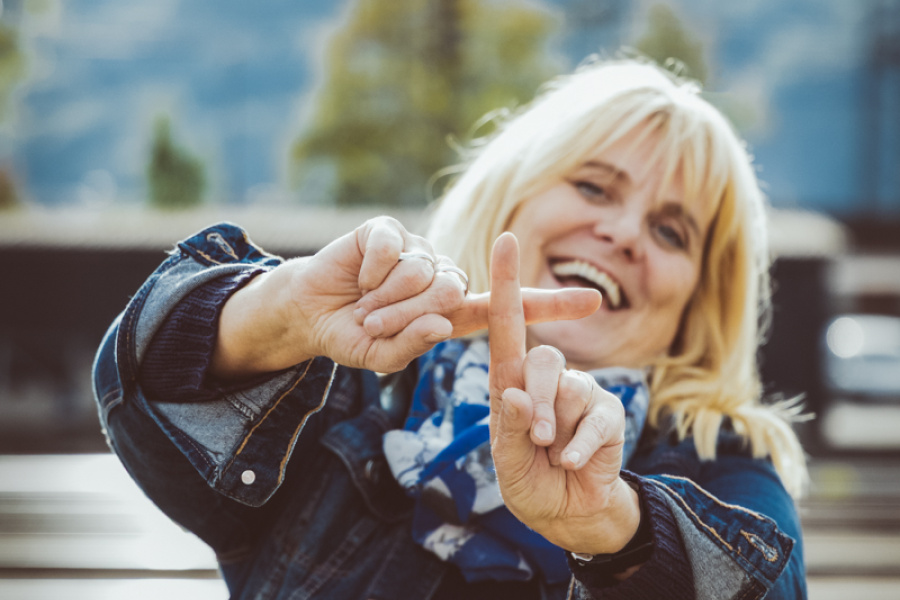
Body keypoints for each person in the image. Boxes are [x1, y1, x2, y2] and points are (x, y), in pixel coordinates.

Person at [93, 57, 808, 599]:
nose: (622, 232)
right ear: (511, 196)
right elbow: (142, 396)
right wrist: (279, 314)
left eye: (671, 231)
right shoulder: (355, 394)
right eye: (593, 186)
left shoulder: (722, 460)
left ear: (700, 302)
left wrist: (611, 528)